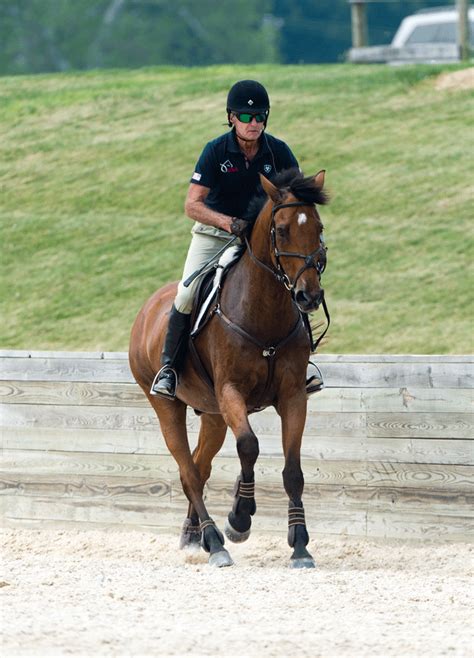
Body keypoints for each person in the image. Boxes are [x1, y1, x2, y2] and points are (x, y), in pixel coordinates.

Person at [150, 79, 324, 399]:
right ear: (232, 118)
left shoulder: (279, 151)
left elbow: (298, 199)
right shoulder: (215, 151)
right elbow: (192, 205)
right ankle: (170, 368)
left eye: (260, 116)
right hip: (215, 234)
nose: (254, 123)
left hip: (266, 240)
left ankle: (305, 365)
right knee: (187, 292)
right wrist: (229, 223)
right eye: (246, 117)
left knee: (293, 283)